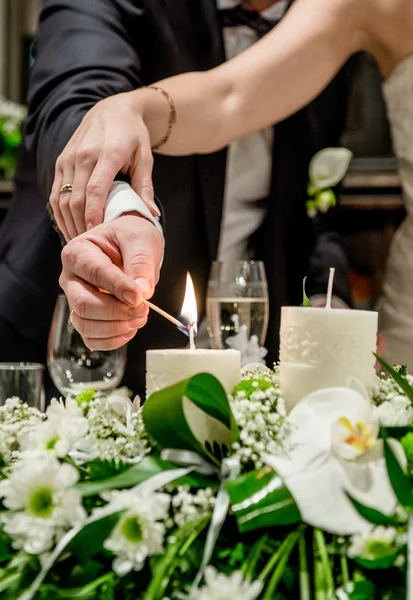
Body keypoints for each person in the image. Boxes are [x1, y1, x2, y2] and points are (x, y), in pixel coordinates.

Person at [1, 0, 352, 396]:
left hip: (243, 366)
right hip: (65, 353)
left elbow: (315, 205)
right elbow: (73, 107)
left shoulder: (334, 19)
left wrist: (328, 299)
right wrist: (123, 210)